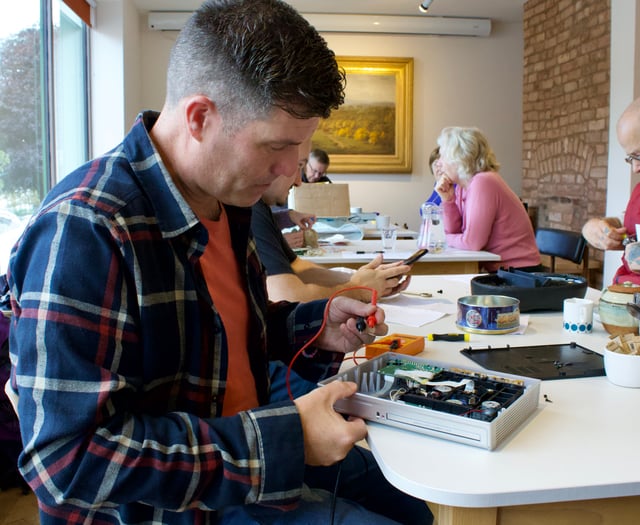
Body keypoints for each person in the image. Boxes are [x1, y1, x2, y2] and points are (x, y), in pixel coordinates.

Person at [5, 2, 432, 524]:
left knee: (414, 507)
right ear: (200, 118)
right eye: (276, 146)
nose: (289, 172)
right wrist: (285, 439)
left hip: (241, 454)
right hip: (172, 508)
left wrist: (313, 328)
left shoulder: (226, 202)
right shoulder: (88, 228)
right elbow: (64, 462)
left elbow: (222, 340)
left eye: (299, 150)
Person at [252, 147, 412, 303]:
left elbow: (298, 267)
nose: (299, 181)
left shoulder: (261, 208)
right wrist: (357, 289)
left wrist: (364, 279)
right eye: (299, 165)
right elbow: (287, 295)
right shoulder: (254, 209)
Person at [434, 126, 541, 272]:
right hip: (501, 271)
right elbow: (455, 232)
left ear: (459, 158)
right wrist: (448, 200)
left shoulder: (483, 182)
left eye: (442, 156)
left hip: (520, 273)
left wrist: (444, 239)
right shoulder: (461, 187)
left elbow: (472, 243)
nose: (438, 163)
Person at [582, 97, 640, 284]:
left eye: (639, 155)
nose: (636, 168)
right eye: (631, 158)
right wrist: (598, 227)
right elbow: (629, 230)